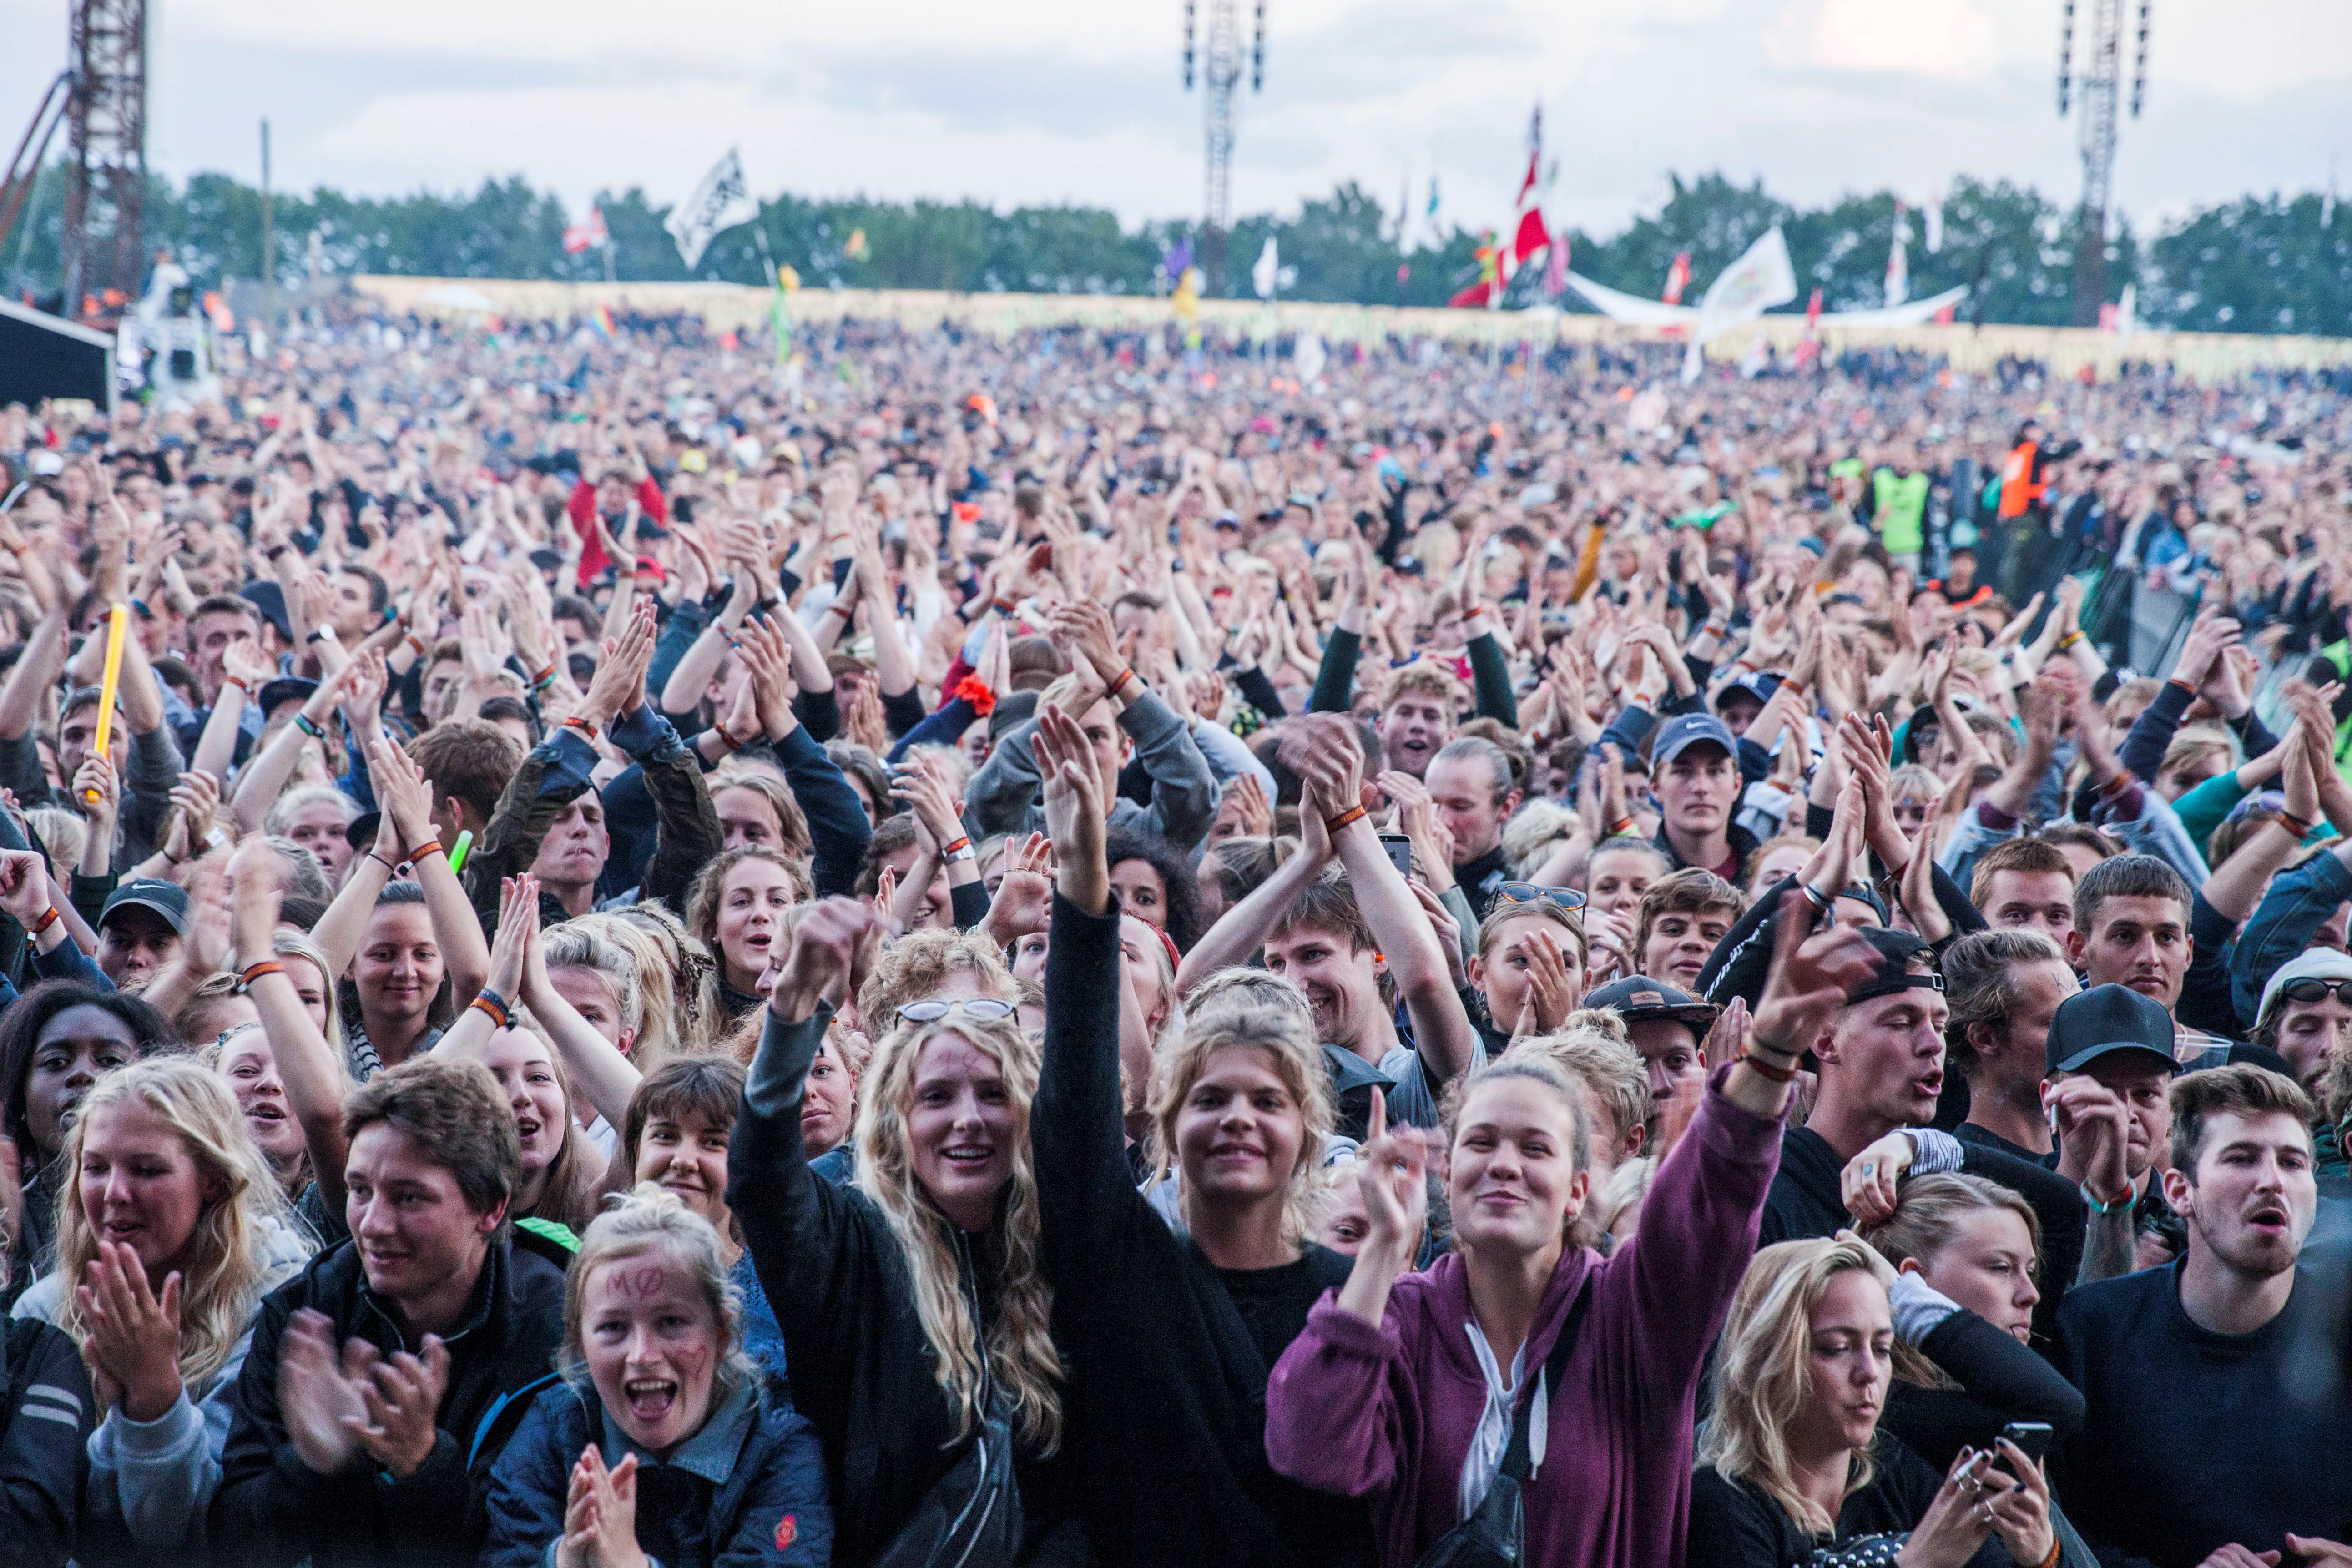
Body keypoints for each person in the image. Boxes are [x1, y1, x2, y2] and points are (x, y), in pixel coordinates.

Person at [729, 894, 1078, 1564]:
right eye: (937, 1097)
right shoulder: (855, 1246)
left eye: (994, 1093)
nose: (968, 1118)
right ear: (897, 1120)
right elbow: (761, 1181)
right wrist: (796, 1010)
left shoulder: (1065, 1249)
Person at [208, 1054, 572, 1568]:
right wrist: (312, 1468)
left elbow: (522, 1550)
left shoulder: (555, 1335)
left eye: (408, 1197)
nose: (373, 1224)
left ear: (491, 1207)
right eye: (360, 1191)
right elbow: (231, 1545)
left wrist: (421, 1465)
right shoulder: (307, 1311)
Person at [12, 1056, 312, 1559]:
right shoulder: (45, 1311)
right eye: (97, 1167)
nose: (115, 1193)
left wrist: (155, 1401)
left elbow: (196, 1531)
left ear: (213, 1180)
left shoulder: (275, 1299)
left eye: (147, 1170)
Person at [2055, 1064, 2352, 1567]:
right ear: (2178, 1192)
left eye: (2292, 1163)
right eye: (2240, 1159)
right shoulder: (2095, 1329)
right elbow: (2056, 1535)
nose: (2271, 1182)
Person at [481, 1184, 831, 1568]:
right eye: (613, 1327)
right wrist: (563, 1559)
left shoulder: (779, 1452)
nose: (642, 1355)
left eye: (671, 1322)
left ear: (722, 1333)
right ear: (581, 1343)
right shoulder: (555, 1432)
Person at [1177, 712, 1479, 1136]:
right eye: (1276, 964)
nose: (1293, 983)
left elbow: (1426, 979)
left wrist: (1347, 818)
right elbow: (1189, 991)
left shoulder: (1410, 1079)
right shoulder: (1260, 1087)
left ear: (1379, 955)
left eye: (1313, 954)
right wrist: (1308, 859)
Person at [1686, 1236, 2060, 1568]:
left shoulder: (1892, 1470)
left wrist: (2041, 1556)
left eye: (1882, 1349)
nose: (1869, 1372)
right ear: (1767, 1358)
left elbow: (2055, 1402)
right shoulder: (1721, 1502)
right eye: (1836, 1348)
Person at [1860, 1174, 2086, 1472]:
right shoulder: (1887, 1408)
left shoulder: (2004, 1383)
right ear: (1913, 1282)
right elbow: (2059, 1406)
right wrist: (1904, 1297)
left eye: (2031, 1272)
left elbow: (2063, 1200)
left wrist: (1916, 1144)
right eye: (2000, 1267)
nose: (2031, 1294)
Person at [0, 982, 177, 1310]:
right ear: (19, 1096)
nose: (83, 1074)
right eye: (56, 1062)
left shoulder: (182, 1216)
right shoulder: (5, 1213)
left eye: (109, 1061)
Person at [1940, 929, 2078, 1160]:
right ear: (1986, 1038)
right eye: (2057, 1023)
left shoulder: (2094, 1159)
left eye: (2081, 1017)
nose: (2081, 1036)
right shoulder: (1958, 1174)